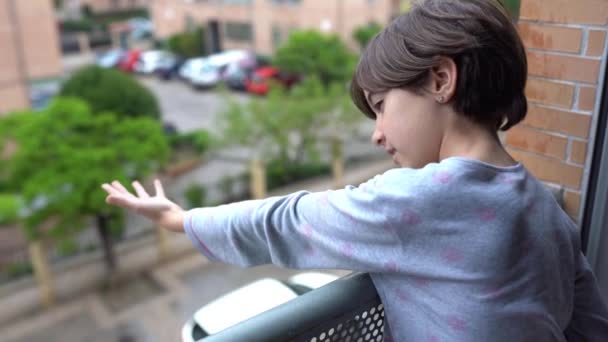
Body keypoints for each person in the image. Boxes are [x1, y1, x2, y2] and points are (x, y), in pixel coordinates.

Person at [101, 0, 608, 340]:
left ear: (439, 80)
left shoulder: (418, 201)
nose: (376, 133)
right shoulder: (542, 205)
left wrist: (180, 220)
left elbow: (287, 221)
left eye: (382, 105)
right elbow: (588, 322)